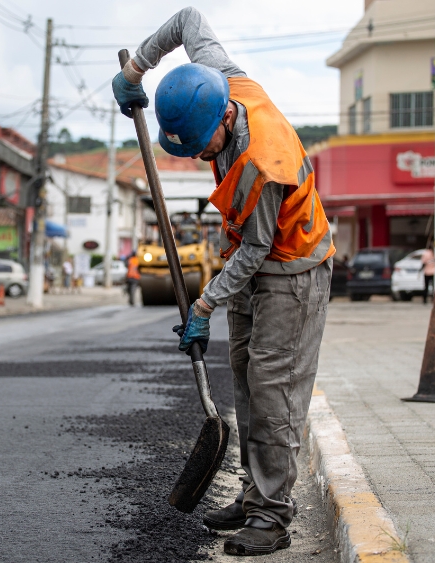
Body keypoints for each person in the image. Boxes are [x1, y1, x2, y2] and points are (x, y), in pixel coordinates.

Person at [113, 8, 335, 556]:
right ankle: (254, 491)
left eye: (203, 148)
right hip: (251, 258)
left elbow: (259, 249)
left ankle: (272, 518)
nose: (202, 157)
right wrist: (137, 69)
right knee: (242, 373)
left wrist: (205, 305)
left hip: (292, 267)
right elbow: (188, 18)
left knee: (272, 389)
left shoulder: (261, 162)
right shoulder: (217, 77)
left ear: (222, 121)